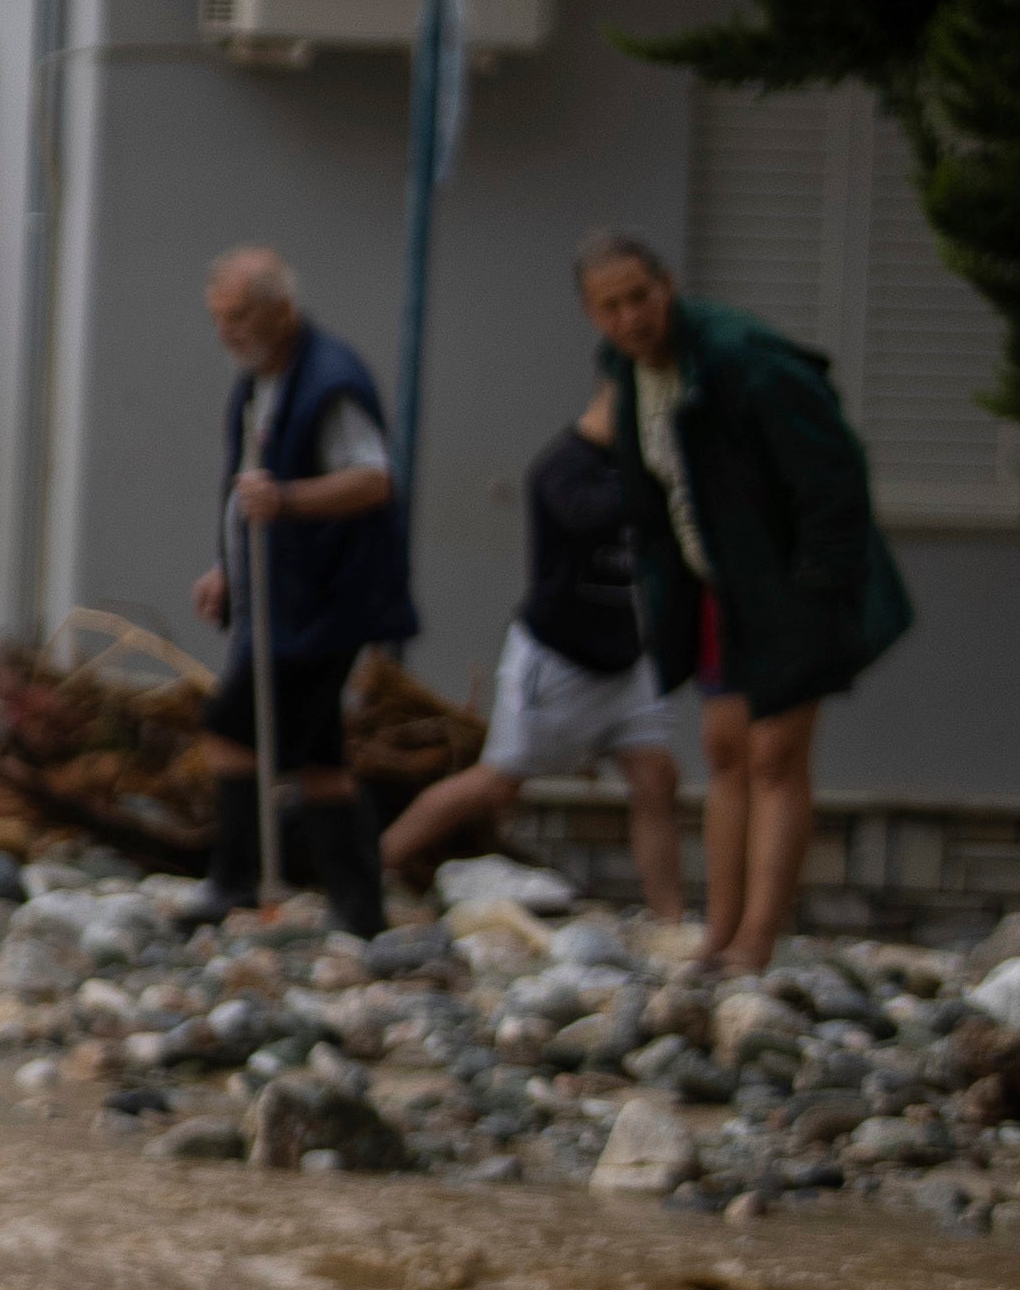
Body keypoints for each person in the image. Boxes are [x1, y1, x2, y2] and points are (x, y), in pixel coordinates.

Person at [582, 227, 902, 978]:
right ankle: (718, 932)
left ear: (666, 287)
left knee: (775, 758)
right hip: (716, 583)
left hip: (789, 584)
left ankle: (759, 938)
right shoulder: (627, 376)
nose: (631, 317)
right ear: (595, 316)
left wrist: (819, 594)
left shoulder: (742, 359)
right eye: (611, 306)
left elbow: (833, 479)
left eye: (639, 296)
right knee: (724, 750)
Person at [386, 398, 698, 924]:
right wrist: (663, 484)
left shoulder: (638, 464)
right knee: (498, 782)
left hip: (623, 657)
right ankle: (379, 861)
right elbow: (589, 516)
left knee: (655, 777)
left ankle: (670, 916)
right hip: (556, 658)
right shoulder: (563, 466)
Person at [189, 245, 412, 923]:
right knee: (319, 758)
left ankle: (234, 878)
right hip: (284, 598)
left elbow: (372, 478)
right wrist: (229, 566)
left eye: (242, 314)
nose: (228, 330)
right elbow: (248, 483)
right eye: (219, 316)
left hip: (324, 604)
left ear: (282, 312)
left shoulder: (329, 380)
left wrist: (286, 501)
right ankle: (356, 905)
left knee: (231, 727)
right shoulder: (260, 378)